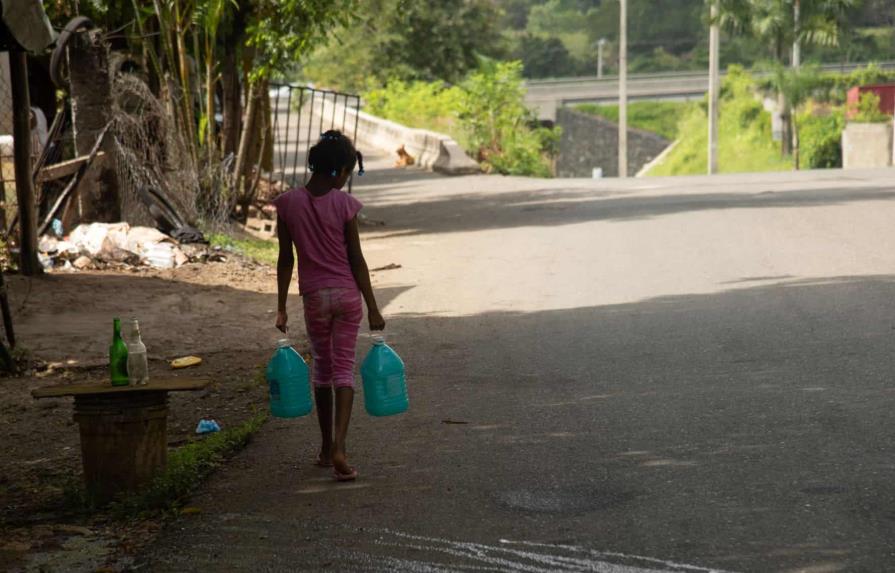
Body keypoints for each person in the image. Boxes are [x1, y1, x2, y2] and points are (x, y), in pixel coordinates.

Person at [274, 130, 385, 482]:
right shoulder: (344, 205)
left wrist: (281, 307)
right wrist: (373, 306)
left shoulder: (287, 204)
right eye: (348, 173)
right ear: (338, 171)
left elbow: (284, 260)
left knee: (322, 371)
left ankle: (324, 448)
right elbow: (357, 259)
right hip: (348, 297)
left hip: (315, 300)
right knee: (344, 371)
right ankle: (341, 446)